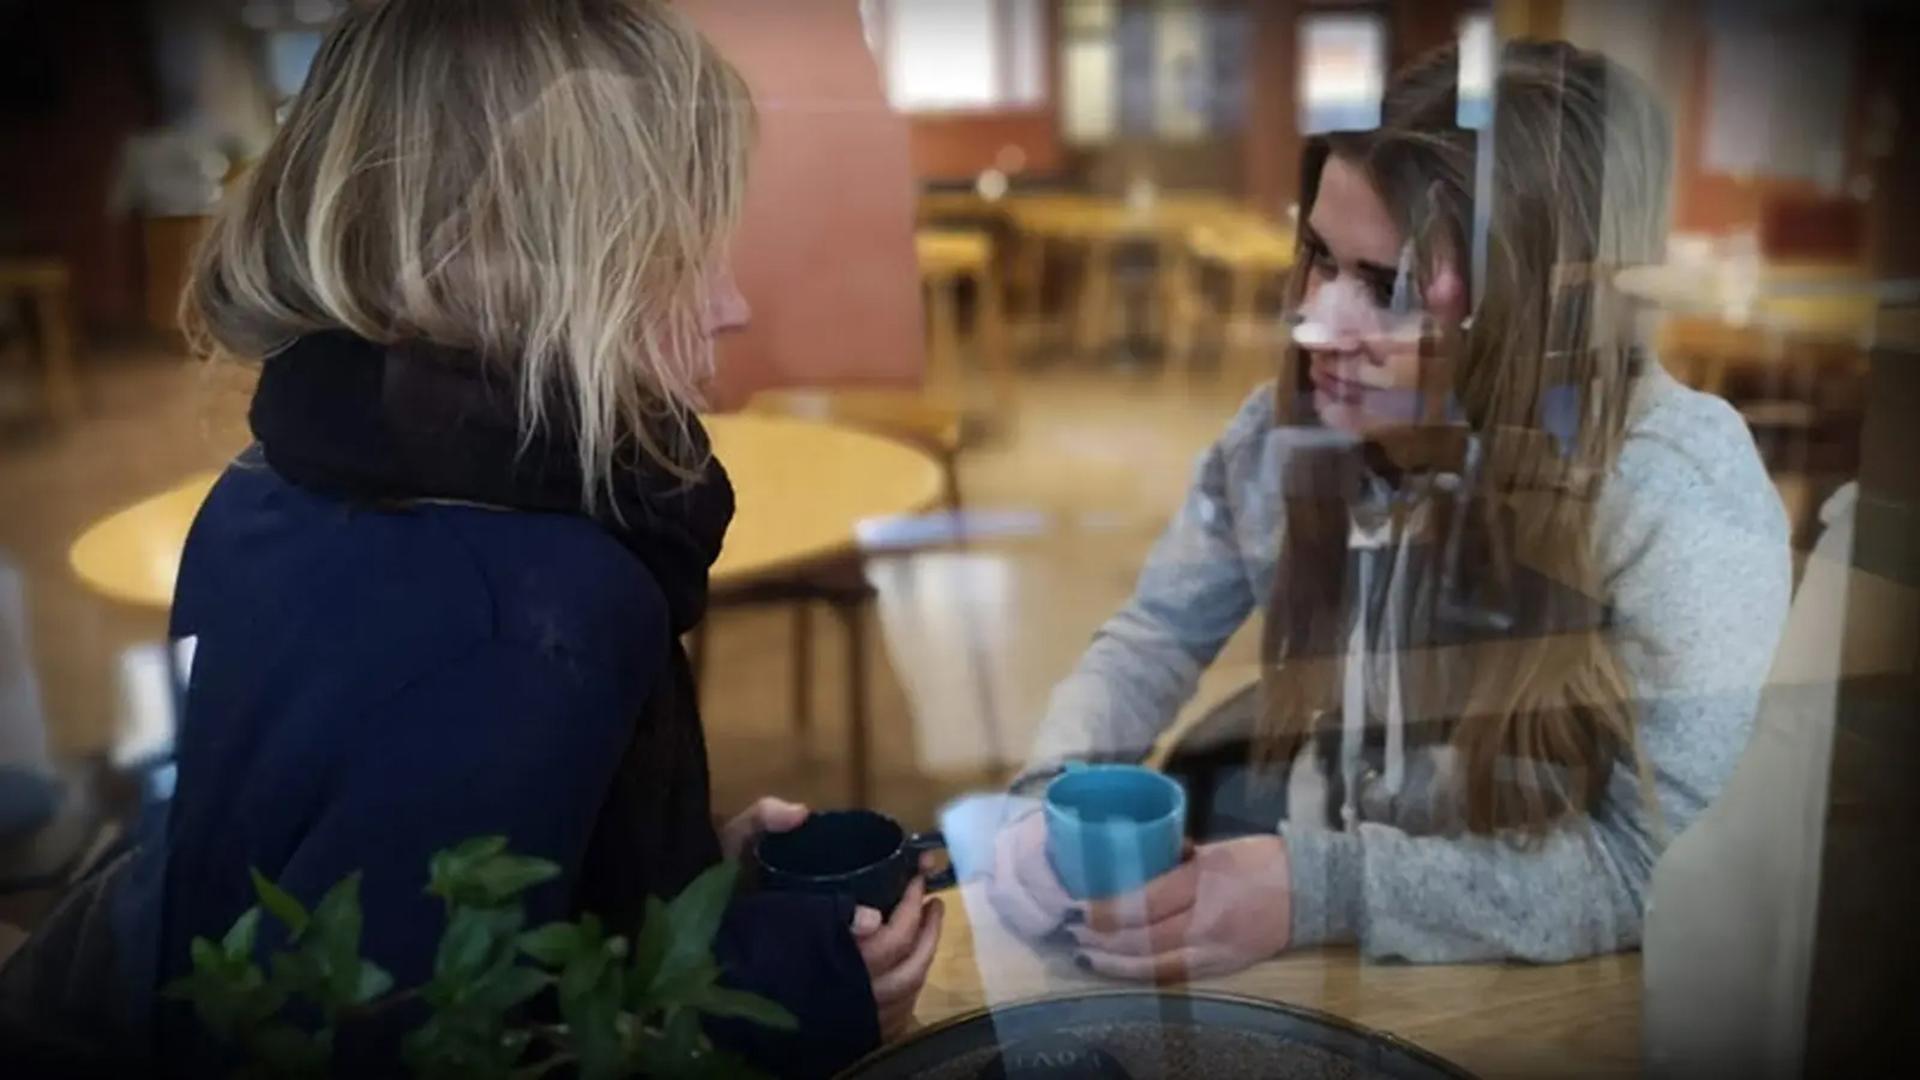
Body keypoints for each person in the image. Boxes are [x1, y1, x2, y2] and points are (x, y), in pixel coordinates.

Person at [103, 1, 938, 1073]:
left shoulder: (273, 488)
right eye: (673, 253)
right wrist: (790, 991)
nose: (729, 304)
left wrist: (661, 872)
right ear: (526, 271)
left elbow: (362, 882)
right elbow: (405, 1042)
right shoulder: (542, 609)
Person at [984, 40, 1790, 976]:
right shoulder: (1285, 433)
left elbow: (1660, 866)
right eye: (1319, 258)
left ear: (1532, 313)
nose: (1318, 323)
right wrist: (1048, 788)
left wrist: (1317, 888)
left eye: (1387, 287)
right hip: (1344, 956)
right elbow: (1156, 633)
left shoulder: (1669, 485)